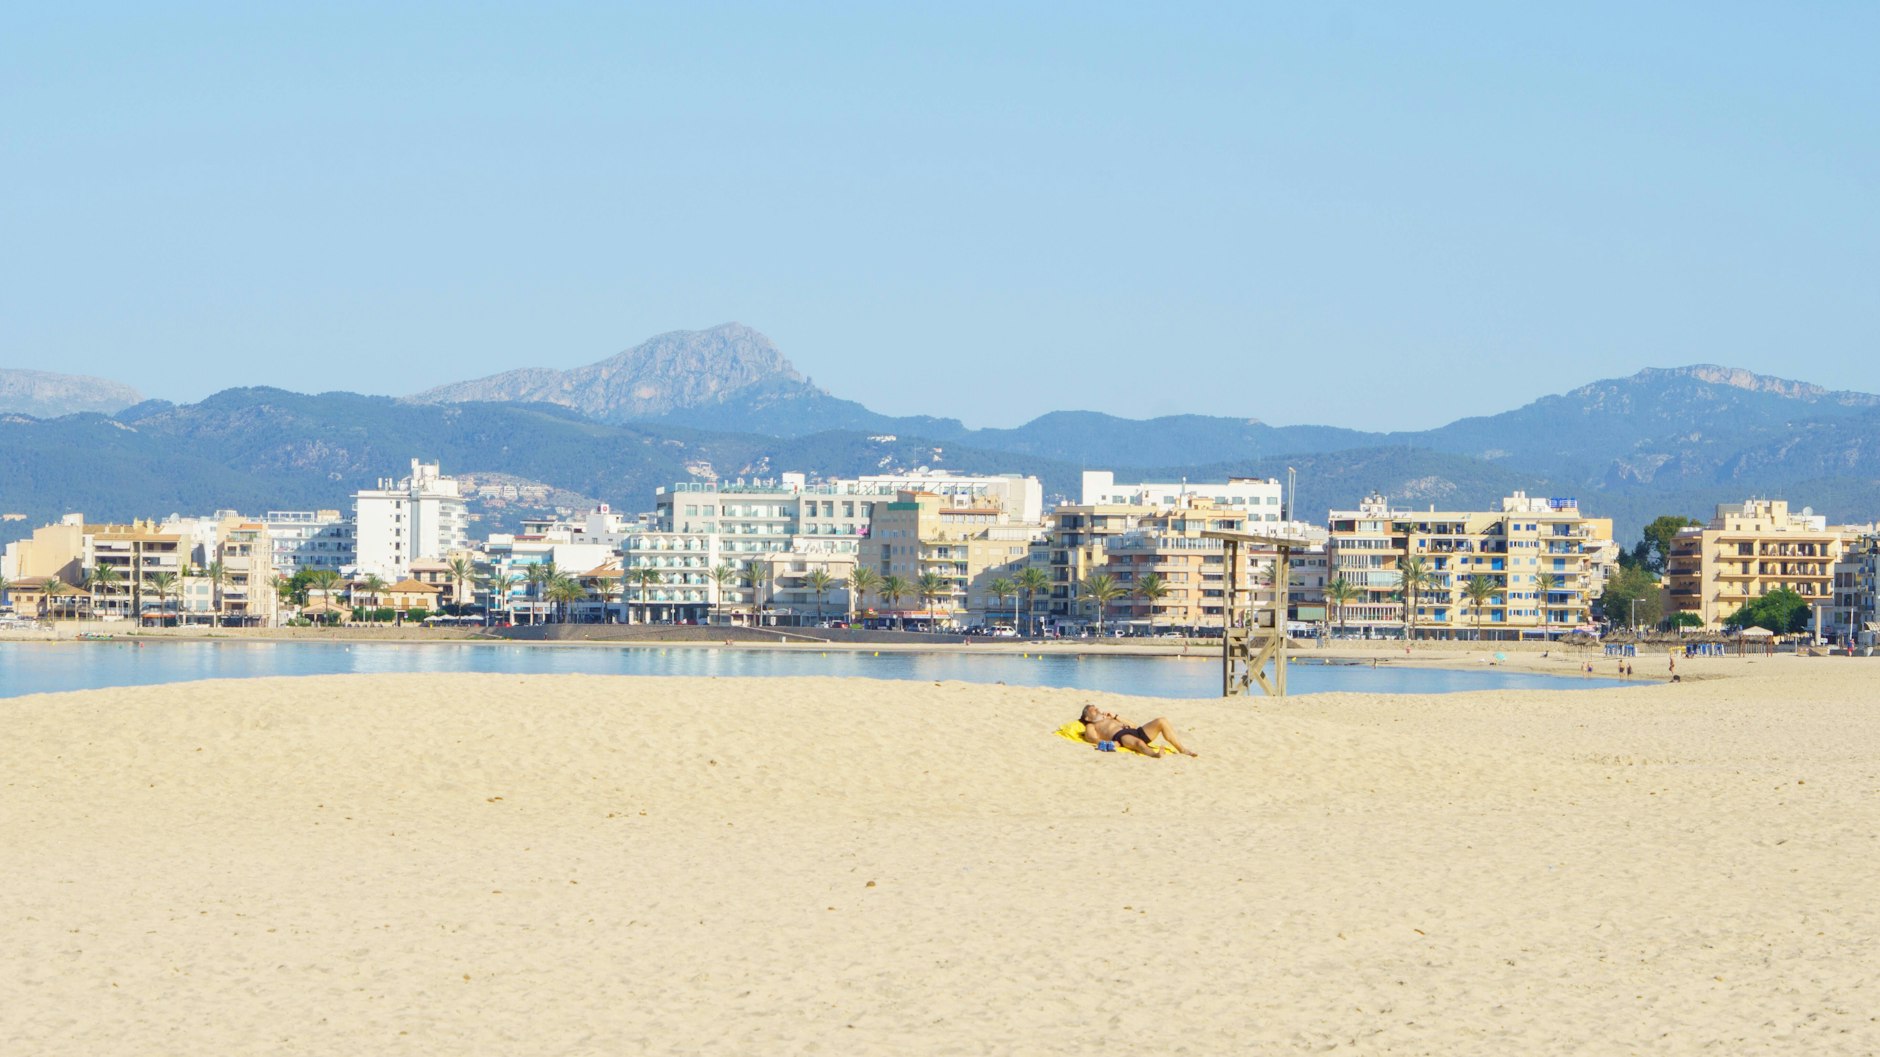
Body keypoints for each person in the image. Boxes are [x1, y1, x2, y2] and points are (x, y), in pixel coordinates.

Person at [1078, 704, 1197, 758]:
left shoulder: (1109, 718)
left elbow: (1133, 725)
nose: (1098, 710)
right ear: (1087, 718)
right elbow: (1091, 738)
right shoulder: (1091, 725)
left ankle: (1182, 749)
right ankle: (1155, 755)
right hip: (1120, 736)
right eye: (1094, 710)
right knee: (1139, 743)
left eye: (1097, 708)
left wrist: (1116, 716)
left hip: (1135, 731)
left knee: (1162, 721)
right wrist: (1110, 744)